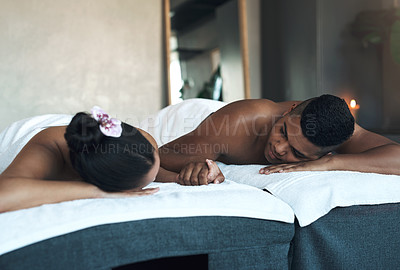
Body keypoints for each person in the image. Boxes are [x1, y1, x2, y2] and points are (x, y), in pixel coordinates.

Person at [156, 94, 400, 186]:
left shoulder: (338, 130)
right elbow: (156, 156)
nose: (280, 149)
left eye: (299, 154)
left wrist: (328, 164)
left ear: (325, 153)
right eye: (283, 132)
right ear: (289, 111)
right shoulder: (236, 124)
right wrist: (186, 171)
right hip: (192, 117)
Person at [0, 106, 161, 213]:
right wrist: (99, 192)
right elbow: (4, 196)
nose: (155, 178)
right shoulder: (47, 150)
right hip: (24, 133)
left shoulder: (145, 144)